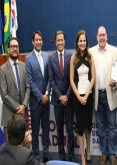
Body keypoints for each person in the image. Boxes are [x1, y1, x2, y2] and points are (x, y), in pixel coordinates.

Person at [90, 26, 117, 165]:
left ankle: (112, 154)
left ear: (107, 36)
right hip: (97, 97)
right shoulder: (91, 52)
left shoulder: (114, 51)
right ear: (97, 37)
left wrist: (115, 82)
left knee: (112, 127)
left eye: (104, 35)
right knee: (100, 128)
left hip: (110, 95)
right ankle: (103, 153)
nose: (102, 37)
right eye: (99, 35)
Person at [25, 30, 52, 163]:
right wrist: (40, 96)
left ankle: (46, 154)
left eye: (40, 39)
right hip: (36, 102)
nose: (39, 42)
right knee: (35, 133)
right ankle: (36, 157)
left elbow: (49, 78)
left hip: (46, 101)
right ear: (32, 42)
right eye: (36, 39)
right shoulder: (28, 58)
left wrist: (46, 94)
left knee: (46, 130)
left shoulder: (47, 56)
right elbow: (30, 81)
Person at [48, 30, 74, 161]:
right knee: (59, 130)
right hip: (58, 101)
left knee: (70, 129)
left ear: (64, 40)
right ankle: (61, 157)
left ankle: (71, 156)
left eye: (61, 40)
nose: (60, 42)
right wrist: (60, 97)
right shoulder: (51, 58)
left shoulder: (71, 56)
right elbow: (51, 80)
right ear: (55, 41)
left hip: (69, 100)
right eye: (57, 40)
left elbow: (72, 78)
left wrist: (67, 96)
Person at [70, 30, 95, 165]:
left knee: (87, 127)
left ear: (86, 42)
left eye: (84, 40)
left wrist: (86, 95)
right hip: (78, 98)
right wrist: (79, 97)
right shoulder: (74, 58)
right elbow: (71, 80)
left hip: (88, 97)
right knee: (80, 127)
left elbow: (93, 77)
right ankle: (83, 158)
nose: (82, 43)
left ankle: (89, 152)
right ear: (77, 42)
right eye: (80, 41)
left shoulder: (90, 56)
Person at [0, 37, 30, 142]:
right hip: (9, 117)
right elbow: (4, 95)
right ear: (8, 49)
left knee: (24, 148)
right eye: (12, 46)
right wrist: (19, 108)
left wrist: (24, 106)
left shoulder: (23, 66)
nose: (15, 49)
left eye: (16, 46)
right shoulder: (2, 69)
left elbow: (28, 87)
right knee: (9, 150)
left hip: (23, 116)